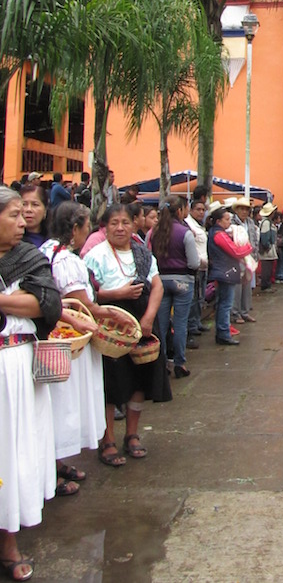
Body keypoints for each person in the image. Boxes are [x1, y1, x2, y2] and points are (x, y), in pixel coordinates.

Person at [0, 186, 62, 583]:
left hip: (15, 368)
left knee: (12, 452)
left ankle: (8, 541)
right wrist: (15, 298)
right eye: (12, 214)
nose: (22, 220)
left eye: (24, 212)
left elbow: (46, 303)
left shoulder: (29, 257)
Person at [84, 203, 171, 466]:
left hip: (141, 320)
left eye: (125, 222)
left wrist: (148, 318)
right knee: (111, 382)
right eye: (114, 223)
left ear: (134, 224)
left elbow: (157, 286)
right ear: (105, 227)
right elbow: (87, 295)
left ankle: (132, 434)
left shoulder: (143, 254)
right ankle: (108, 438)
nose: (120, 228)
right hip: (109, 323)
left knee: (139, 379)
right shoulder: (95, 256)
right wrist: (117, 294)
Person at [41, 202, 107, 498]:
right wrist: (106, 313)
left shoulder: (48, 250)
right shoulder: (65, 259)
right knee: (62, 405)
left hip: (59, 338)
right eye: (86, 226)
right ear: (75, 228)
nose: (87, 232)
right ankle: (50, 471)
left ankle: (56, 463)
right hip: (67, 340)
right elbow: (80, 302)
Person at [148, 196, 199, 379]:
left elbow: (147, 256)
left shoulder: (153, 232)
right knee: (180, 323)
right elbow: (193, 263)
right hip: (183, 281)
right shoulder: (185, 233)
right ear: (179, 211)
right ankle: (179, 363)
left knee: (161, 324)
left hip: (159, 280)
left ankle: (161, 364)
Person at [205, 202, 251, 345]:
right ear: (218, 221)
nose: (229, 222)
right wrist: (248, 248)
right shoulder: (219, 234)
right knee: (225, 304)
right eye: (226, 219)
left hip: (222, 271)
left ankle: (222, 332)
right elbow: (235, 251)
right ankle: (224, 333)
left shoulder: (216, 233)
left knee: (222, 303)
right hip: (226, 272)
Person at [185, 198, 209, 344]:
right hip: (196, 266)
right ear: (191, 210)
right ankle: (192, 325)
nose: (201, 212)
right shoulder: (188, 225)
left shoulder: (200, 225)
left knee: (201, 296)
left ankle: (197, 321)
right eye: (198, 209)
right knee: (194, 297)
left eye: (203, 210)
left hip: (204, 265)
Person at [228, 198, 256, 324]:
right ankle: (235, 313)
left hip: (249, 259)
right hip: (236, 259)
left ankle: (245, 312)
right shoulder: (231, 222)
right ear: (237, 210)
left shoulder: (250, 222)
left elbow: (254, 240)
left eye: (246, 209)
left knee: (247, 287)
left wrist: (254, 256)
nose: (244, 212)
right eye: (242, 209)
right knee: (237, 288)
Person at [20, 184, 50, 248]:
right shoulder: (10, 241)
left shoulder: (54, 240)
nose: (29, 209)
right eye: (24, 204)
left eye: (35, 204)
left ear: (45, 210)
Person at [257, 202, 278, 292]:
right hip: (267, 251)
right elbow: (265, 238)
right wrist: (268, 247)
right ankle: (265, 286)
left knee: (268, 268)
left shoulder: (267, 222)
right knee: (267, 269)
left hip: (268, 250)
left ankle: (267, 285)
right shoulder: (266, 223)